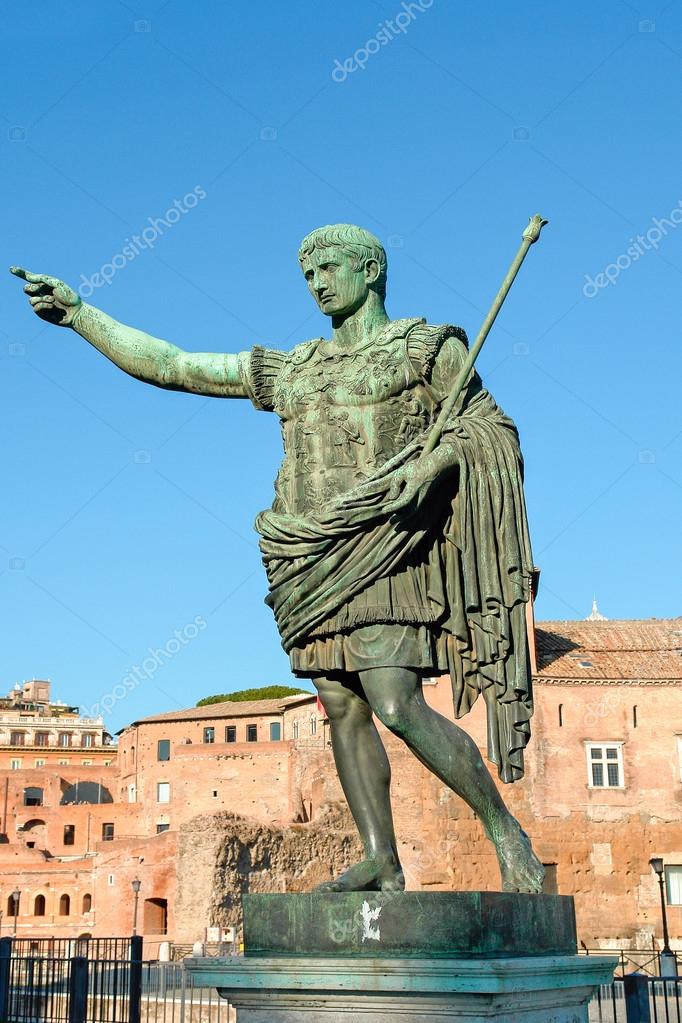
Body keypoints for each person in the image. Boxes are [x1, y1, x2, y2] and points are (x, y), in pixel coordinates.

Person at [10, 223, 544, 893]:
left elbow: (489, 429)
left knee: (395, 700)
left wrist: (435, 463)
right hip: (305, 551)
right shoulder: (295, 367)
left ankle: (503, 829)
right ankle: (382, 857)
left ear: (370, 270)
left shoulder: (424, 348)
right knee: (340, 703)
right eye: (308, 273)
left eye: (329, 267)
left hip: (384, 545)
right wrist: (83, 316)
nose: (317, 282)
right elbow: (174, 366)